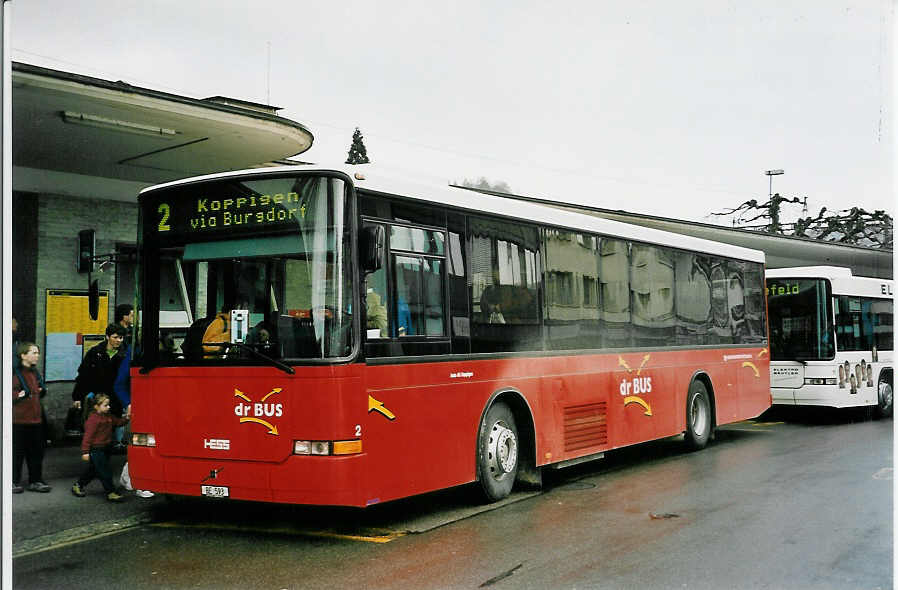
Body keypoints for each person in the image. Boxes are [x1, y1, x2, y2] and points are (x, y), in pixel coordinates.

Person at [71, 394, 129, 502]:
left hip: (105, 448)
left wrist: (127, 418)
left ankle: (78, 485)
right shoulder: (93, 420)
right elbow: (87, 437)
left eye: (108, 405)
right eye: (105, 405)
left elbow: (118, 422)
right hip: (96, 449)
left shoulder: (108, 416)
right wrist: (85, 452)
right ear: (96, 406)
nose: (109, 407)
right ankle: (111, 492)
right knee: (105, 471)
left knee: (94, 470)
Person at [12, 342, 51, 493]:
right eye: (33, 352)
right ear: (23, 355)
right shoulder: (14, 373)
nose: (37, 355)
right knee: (16, 453)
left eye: (37, 352)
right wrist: (17, 395)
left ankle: (36, 481)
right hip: (18, 421)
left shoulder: (35, 373)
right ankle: (12, 481)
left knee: (36, 453)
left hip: (35, 420)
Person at [72, 323, 128, 423]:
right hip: (98, 398)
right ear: (107, 337)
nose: (119, 340)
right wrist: (77, 397)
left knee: (117, 429)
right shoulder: (95, 353)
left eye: (121, 337)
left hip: (117, 399)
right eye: (115, 337)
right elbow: (83, 375)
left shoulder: (126, 354)